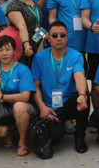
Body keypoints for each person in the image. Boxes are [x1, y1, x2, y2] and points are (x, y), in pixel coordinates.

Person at [32, 21, 89, 154]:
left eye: (62, 35)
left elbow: (79, 76)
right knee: (55, 136)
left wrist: (82, 95)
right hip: (50, 107)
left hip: (69, 103)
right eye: (55, 35)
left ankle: (79, 136)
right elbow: (35, 86)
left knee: (83, 94)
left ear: (67, 37)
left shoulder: (76, 56)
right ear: (48, 37)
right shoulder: (39, 57)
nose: (59, 38)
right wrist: (41, 107)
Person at [0, 35, 36, 157]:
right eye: (0, 50)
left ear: (14, 50)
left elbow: (25, 96)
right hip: (1, 111)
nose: (4, 53)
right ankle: (9, 131)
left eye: (8, 49)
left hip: (21, 109)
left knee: (19, 107)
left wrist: (2, 97)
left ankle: (22, 141)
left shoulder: (23, 69)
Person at [6, 0, 43, 66]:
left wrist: (44, 35)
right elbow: (22, 26)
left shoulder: (36, 4)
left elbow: (37, 25)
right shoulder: (14, 5)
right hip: (22, 46)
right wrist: (26, 44)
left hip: (36, 44)